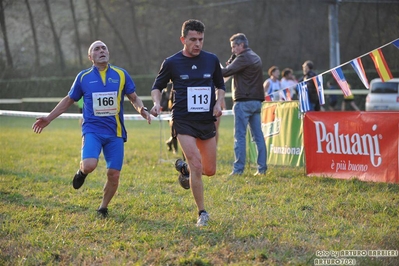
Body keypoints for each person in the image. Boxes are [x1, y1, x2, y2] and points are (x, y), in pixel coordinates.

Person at [32, 40, 151, 218]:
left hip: (115, 132)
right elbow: (68, 100)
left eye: (104, 48)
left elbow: (134, 98)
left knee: (114, 174)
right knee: (89, 165)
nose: (102, 50)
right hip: (92, 130)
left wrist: (142, 109)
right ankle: (82, 172)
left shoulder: (121, 74)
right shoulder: (83, 77)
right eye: (97, 49)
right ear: (90, 57)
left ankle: (103, 207)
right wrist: (49, 117)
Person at [150, 19, 225, 227]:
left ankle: (184, 170)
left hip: (206, 121)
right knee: (197, 164)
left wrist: (218, 103)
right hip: (182, 120)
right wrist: (156, 104)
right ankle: (202, 212)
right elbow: (157, 87)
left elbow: (220, 86)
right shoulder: (172, 62)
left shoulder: (211, 60)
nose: (197, 44)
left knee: (209, 170)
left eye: (200, 39)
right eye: (193, 40)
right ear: (183, 39)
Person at [221, 33, 267, 176]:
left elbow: (225, 72)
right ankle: (262, 168)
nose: (232, 50)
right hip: (256, 101)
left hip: (243, 102)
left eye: (234, 46)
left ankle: (238, 170)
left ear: (241, 45)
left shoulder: (243, 58)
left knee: (239, 137)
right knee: (258, 137)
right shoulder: (255, 56)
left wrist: (215, 65)